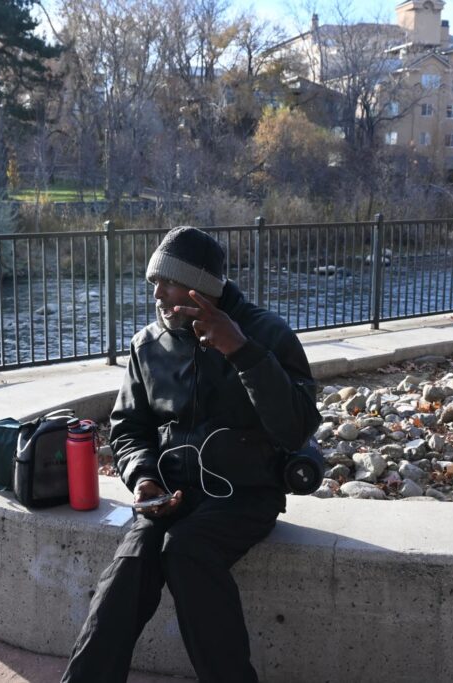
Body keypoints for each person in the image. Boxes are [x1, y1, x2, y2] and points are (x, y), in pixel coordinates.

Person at [61, 226, 321, 683]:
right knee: (132, 563)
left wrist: (240, 351)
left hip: (245, 495)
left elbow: (296, 427)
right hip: (170, 493)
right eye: (154, 282)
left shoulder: (266, 334)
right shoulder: (147, 345)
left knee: (186, 551)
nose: (156, 293)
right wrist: (143, 479)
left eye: (168, 282)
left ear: (202, 288)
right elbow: (128, 428)